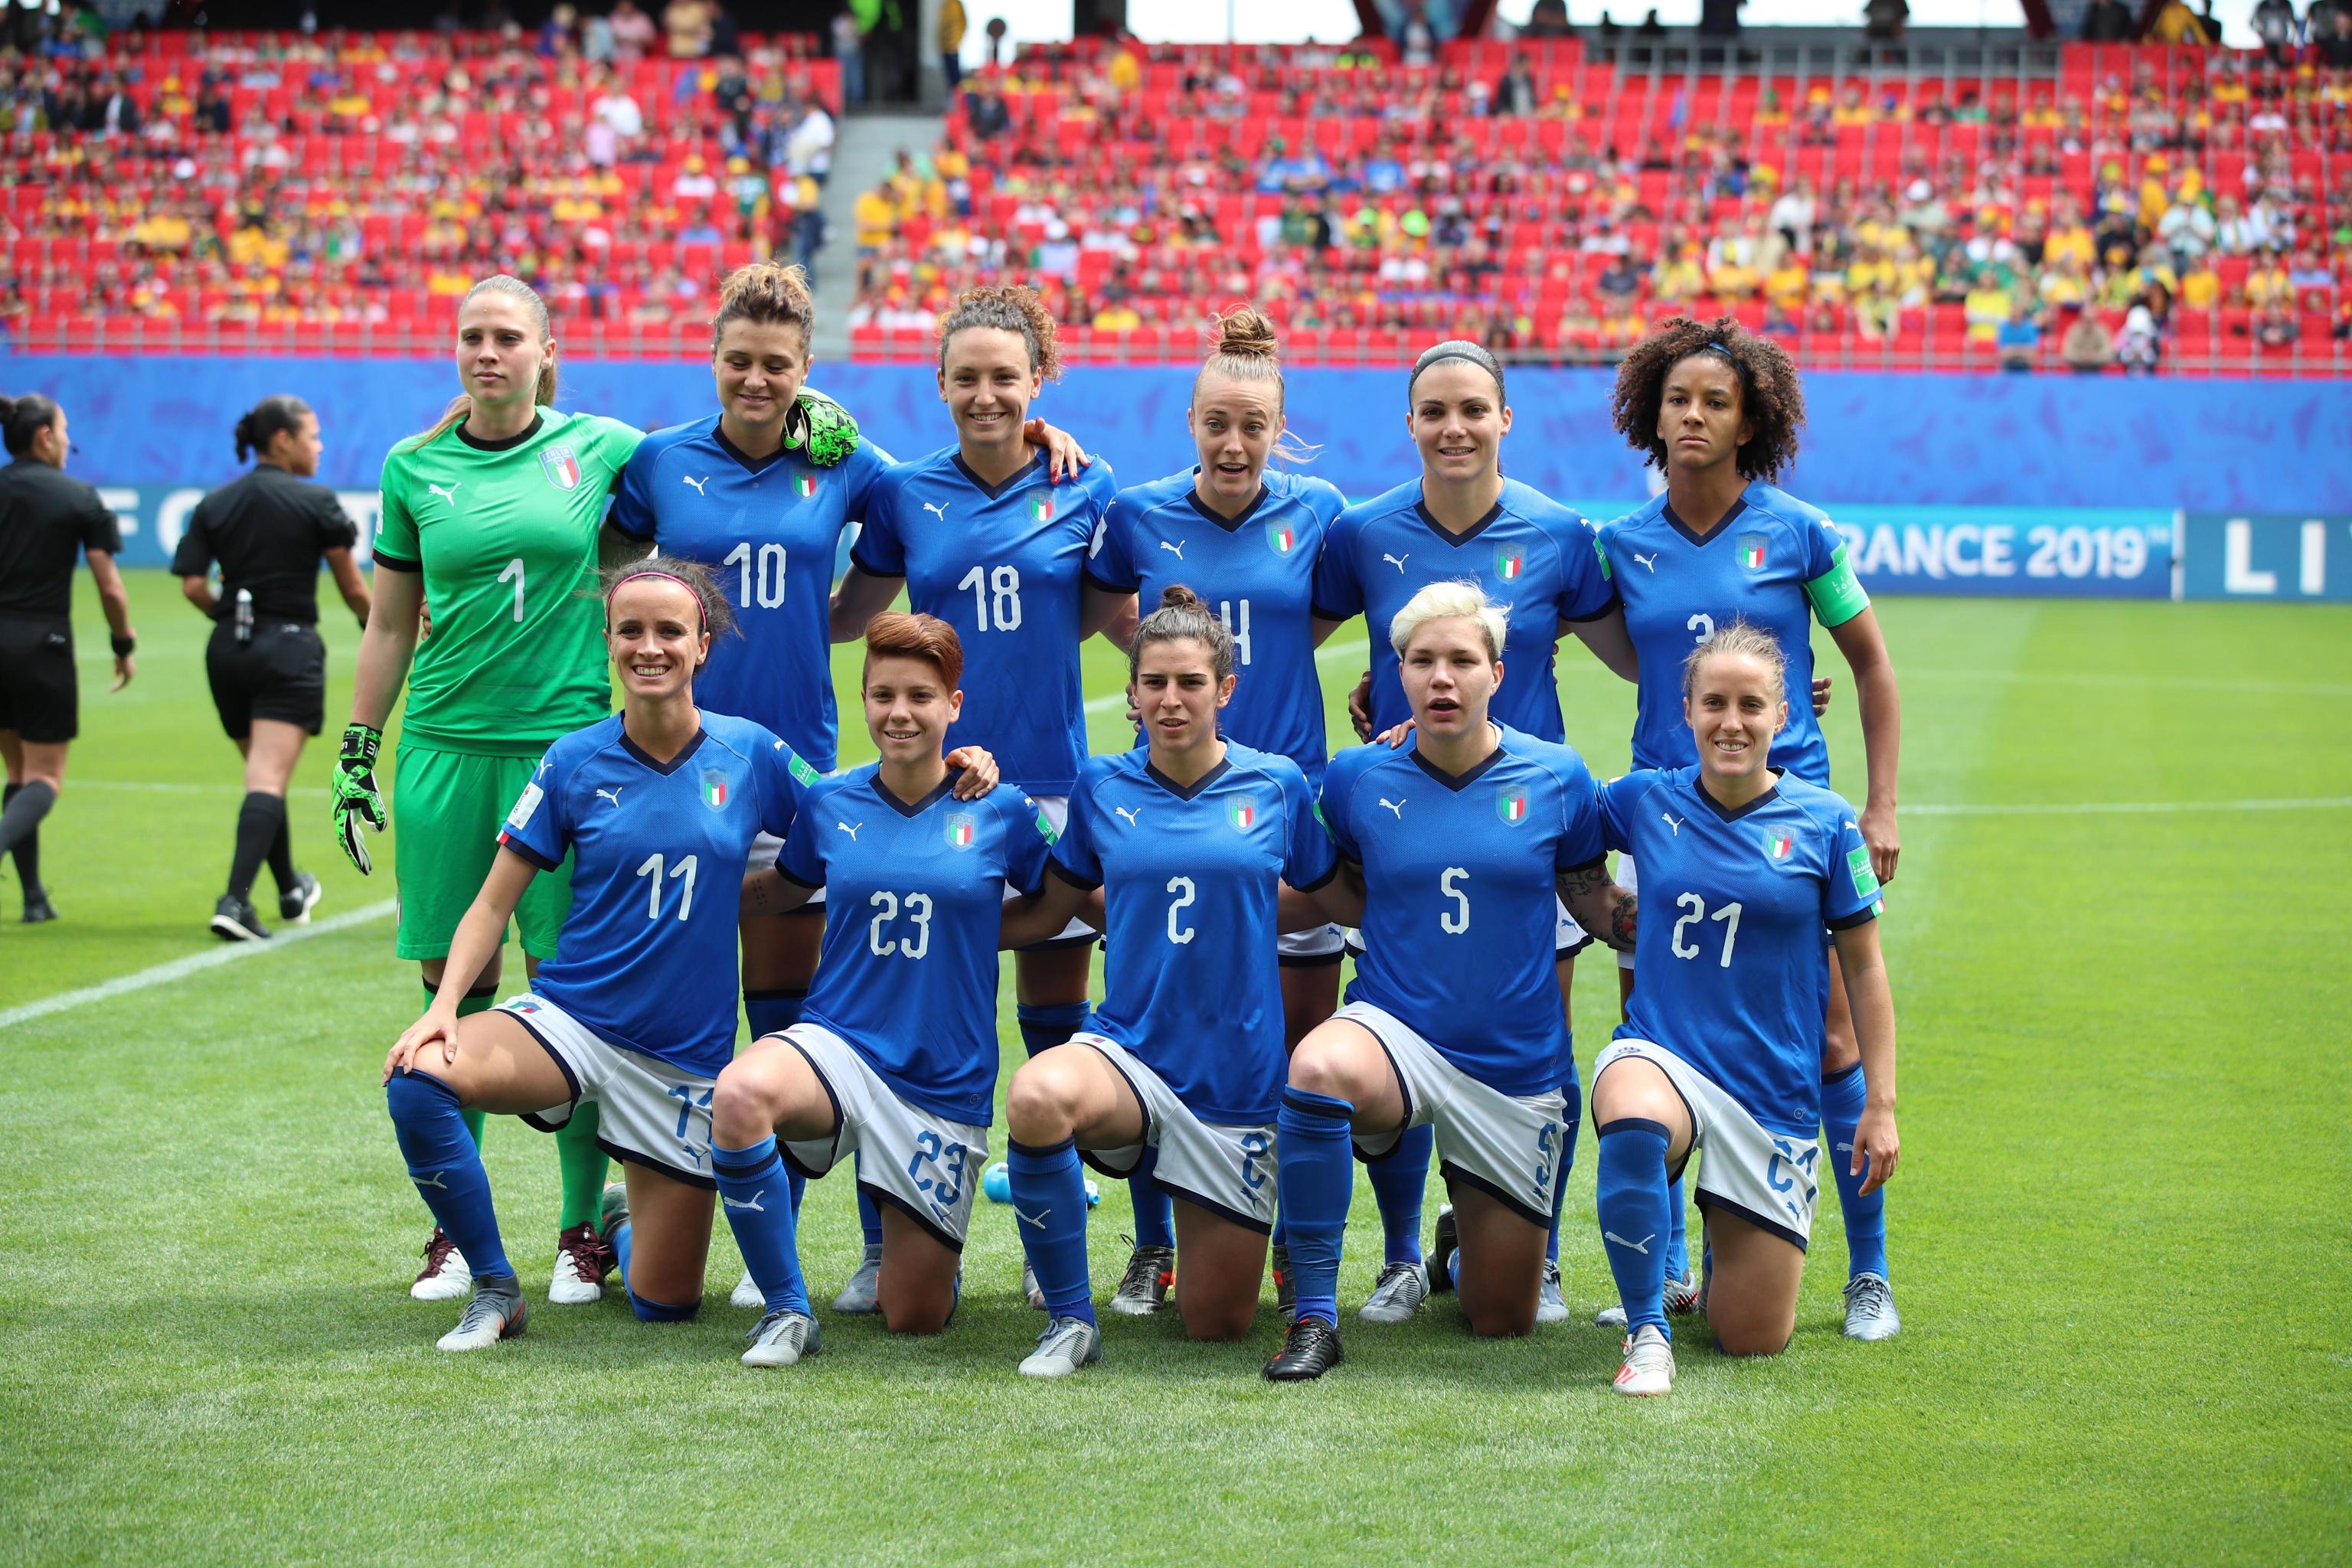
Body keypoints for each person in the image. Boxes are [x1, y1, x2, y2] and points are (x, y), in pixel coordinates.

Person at [609, 260, 1067, 1312]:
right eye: (738, 361)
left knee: (813, 1006)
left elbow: (945, 487)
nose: (755, 380)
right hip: (684, 763)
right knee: (663, 995)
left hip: (807, 771)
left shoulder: (850, 461)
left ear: (806, 371)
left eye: (777, 365)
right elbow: (588, 544)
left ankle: (838, 1238)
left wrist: (1035, 438)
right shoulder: (657, 463)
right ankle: (609, 1220)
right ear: (712, 361)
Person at [381, 563, 812, 1351]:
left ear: (702, 647)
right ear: (609, 643)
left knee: (666, 1301)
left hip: (683, 1061)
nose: (650, 647)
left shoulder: (752, 752)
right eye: (632, 631)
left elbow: (853, 814)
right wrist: (442, 1009)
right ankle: (494, 1285)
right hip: (573, 1021)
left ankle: (615, 1219)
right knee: (419, 1078)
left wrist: (961, 773)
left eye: (670, 631)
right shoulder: (572, 758)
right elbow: (491, 902)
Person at [1312, 338, 1635, 1328]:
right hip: (1409, 819)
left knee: (1538, 1043)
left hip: (1529, 830)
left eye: (1473, 409)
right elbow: (1285, 634)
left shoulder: (1560, 533)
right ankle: (1404, 1250)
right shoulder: (1361, 534)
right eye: (1434, 410)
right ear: (1409, 424)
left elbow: (1643, 651)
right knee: (1397, 1024)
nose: (1454, 427)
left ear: (1506, 420)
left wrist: (1778, 680)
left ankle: (1526, 1249)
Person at [336, 273, 645, 1309]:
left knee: (573, 991)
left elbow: (711, 459)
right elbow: (387, 624)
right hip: (442, 753)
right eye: (471, 335)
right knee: (446, 991)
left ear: (546, 351)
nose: (487, 351)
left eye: (507, 336)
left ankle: (578, 1231)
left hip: (562, 754)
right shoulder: (411, 467)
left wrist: (811, 416)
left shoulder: (602, 446)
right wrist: (356, 749)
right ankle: (456, 1235)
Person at [1596, 315, 1903, 1340]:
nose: (1693, 415)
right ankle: (1671, 1264)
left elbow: (1870, 667)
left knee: (1825, 1036)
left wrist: (1880, 802)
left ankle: (1870, 1273)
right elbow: (1540, 637)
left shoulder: (1801, 534)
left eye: (1714, 402)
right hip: (1666, 820)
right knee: (1656, 1022)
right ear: (1651, 413)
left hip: (1787, 819)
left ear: (1749, 420)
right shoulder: (1620, 545)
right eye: (1677, 399)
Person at [829, 286, 1126, 1309]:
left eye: (1007, 377)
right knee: (895, 1025)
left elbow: (1127, 627)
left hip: (1047, 787)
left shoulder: (1088, 489)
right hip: (931, 790)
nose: (987, 394)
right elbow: (847, 618)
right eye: (968, 377)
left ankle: (1056, 1247)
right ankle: (882, 1245)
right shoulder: (904, 495)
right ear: (940, 384)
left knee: (1056, 1021)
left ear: (1038, 384)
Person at [1264, 580, 1633, 1380]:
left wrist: (1659, 919)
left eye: (1462, 660)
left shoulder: (1560, 777)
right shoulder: (1358, 777)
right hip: (1397, 1028)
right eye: (1423, 660)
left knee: (1502, 1319)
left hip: (1513, 1063)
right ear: (1396, 672)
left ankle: (1455, 1248)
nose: (1442, 677)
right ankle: (1315, 1317)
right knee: (1318, 1067)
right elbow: (1337, 891)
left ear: (1496, 674)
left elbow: (1588, 896)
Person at [994, 587, 1337, 1377]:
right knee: (1039, 1093)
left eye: (1189, 682)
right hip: (1130, 1053)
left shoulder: (1278, 784)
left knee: (1216, 1324)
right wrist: (966, 930)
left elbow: (1331, 890)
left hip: (1236, 1077)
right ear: (1135, 690)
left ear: (1225, 689)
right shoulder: (1102, 785)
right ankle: (1070, 1318)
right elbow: (1058, 900)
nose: (1171, 699)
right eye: (1154, 682)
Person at [1083, 308, 1348, 1317]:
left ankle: (1313, 1250)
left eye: (1254, 427)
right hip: (1175, 817)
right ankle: (1155, 1244)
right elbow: (1101, 606)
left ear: (1279, 428)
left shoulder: (1321, 512)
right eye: (1216, 425)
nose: (1234, 445)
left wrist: (1384, 703)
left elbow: (1375, 612)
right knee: (1169, 1041)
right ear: (1189, 422)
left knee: (1296, 1061)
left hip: (1290, 817)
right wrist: (1165, 677)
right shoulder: (1139, 515)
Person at [1590, 622, 1900, 1393]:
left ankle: (1728, 1237)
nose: (1732, 721)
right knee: (1632, 1116)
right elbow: (1540, 814)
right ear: (1686, 710)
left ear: (1782, 716)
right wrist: (1607, 914)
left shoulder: (1825, 821)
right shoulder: (1642, 800)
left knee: (1751, 1338)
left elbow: (1863, 969)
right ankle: (1648, 1330)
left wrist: (1882, 1104)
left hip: (1769, 1093)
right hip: (1664, 1059)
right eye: (1715, 703)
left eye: (1751, 705)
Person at [712, 612, 1027, 1365]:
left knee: (912, 1316)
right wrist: (701, 895)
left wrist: (976, 929)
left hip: (941, 1079)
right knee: (741, 1092)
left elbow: (1058, 901)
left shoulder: (1000, 807)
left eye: (920, 695)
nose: (899, 712)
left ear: (954, 703)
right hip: (839, 1046)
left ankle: (920, 1253)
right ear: (862, 699)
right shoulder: (830, 801)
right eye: (882, 694)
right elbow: (786, 888)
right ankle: (787, 1310)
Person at [173, 395, 371, 941]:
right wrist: (379, 632)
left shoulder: (216, 502)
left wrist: (234, 615)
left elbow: (193, 586)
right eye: (312, 436)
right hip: (289, 648)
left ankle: (290, 886)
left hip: (228, 651)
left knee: (265, 774)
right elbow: (353, 587)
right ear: (282, 440)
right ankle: (235, 902)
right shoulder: (315, 500)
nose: (320, 446)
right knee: (267, 777)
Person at [0, 392, 136, 924]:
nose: (68, 444)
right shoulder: (78, 496)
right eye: (65, 433)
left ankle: (33, 898)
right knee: (46, 778)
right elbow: (111, 587)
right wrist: (122, 644)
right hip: (42, 645)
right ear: (44, 436)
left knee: (18, 769)